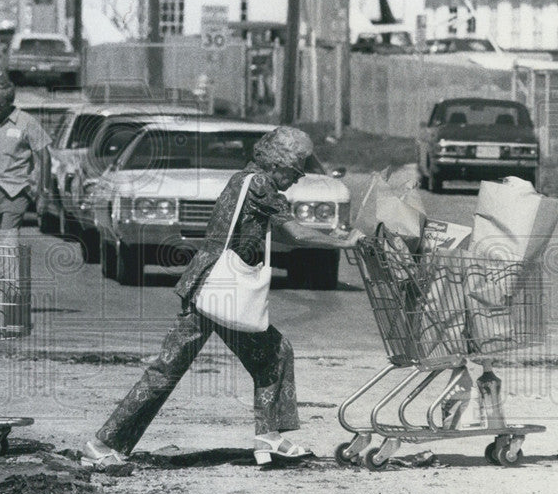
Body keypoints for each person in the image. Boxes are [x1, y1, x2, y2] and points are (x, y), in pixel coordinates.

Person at [82, 126, 363, 468]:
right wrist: (343, 241)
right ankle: (102, 443)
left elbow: (280, 235)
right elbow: (295, 233)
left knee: (273, 353)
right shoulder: (261, 186)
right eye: (297, 169)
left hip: (216, 288)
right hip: (218, 289)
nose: (299, 177)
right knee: (167, 370)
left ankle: (268, 438)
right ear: (279, 163)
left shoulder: (245, 179)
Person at [0, 73, 50, 230]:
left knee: (7, 242)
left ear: (9, 102)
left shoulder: (27, 122)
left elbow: (45, 156)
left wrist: (43, 193)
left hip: (15, 192)